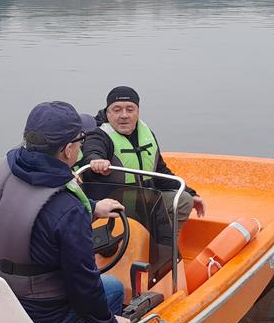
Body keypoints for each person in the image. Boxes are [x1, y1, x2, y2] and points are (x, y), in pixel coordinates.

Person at [0, 101, 132, 323]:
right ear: (67, 150)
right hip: (39, 318)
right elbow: (84, 286)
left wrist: (93, 208)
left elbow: (27, 208)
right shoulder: (67, 208)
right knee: (113, 288)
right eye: (80, 141)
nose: (81, 146)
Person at [81, 85, 205, 224]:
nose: (124, 115)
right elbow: (92, 151)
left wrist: (190, 193)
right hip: (115, 204)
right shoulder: (99, 135)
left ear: (138, 112)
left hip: (144, 199)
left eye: (130, 109)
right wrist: (97, 161)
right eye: (117, 110)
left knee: (183, 200)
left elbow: (160, 171)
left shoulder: (146, 134)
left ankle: (164, 244)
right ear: (108, 113)